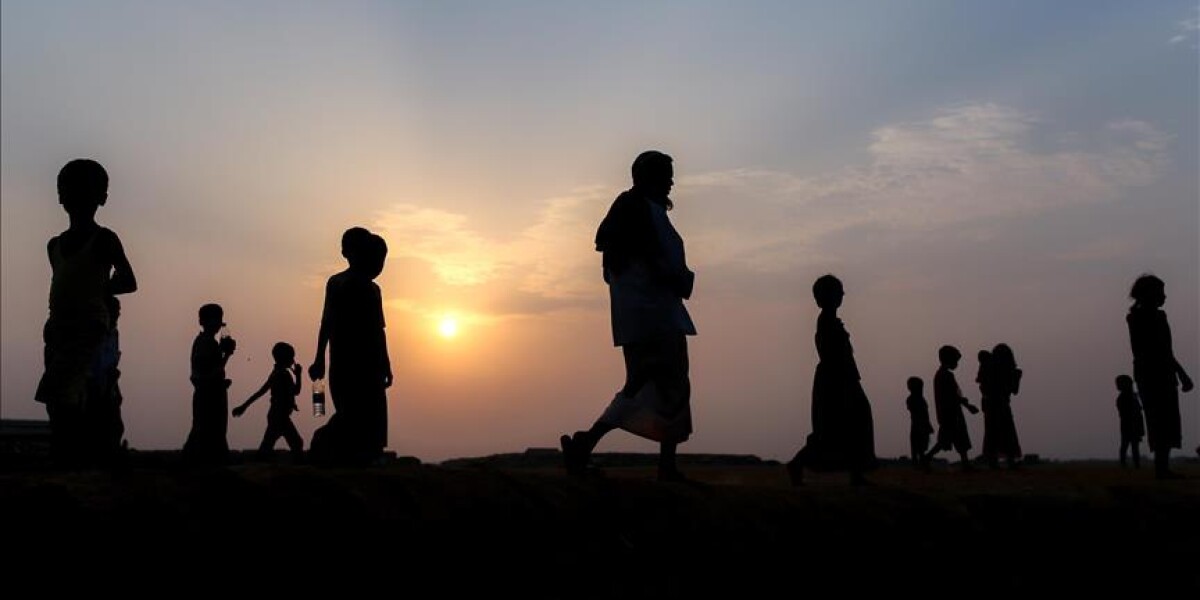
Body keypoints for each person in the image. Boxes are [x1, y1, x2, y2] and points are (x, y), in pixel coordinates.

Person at [560, 150, 697, 482]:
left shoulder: (645, 210)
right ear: (648, 176)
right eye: (666, 174)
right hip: (650, 313)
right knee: (663, 383)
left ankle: (590, 445)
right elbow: (640, 260)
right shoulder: (633, 208)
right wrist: (670, 277)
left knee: (663, 385)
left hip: (654, 311)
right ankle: (589, 444)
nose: (671, 181)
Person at [35, 159, 137, 467]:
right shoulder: (55, 245)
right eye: (68, 188)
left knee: (59, 390)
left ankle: (69, 454)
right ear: (60, 196)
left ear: (101, 197)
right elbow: (61, 284)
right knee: (67, 393)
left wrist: (102, 290)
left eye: (84, 189)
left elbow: (128, 281)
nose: (74, 195)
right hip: (58, 328)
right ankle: (80, 451)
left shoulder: (104, 239)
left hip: (89, 326)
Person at [308, 229, 392, 465]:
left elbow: (379, 330)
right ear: (347, 253)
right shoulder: (338, 283)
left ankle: (370, 451)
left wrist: (386, 363)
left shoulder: (374, 290)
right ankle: (326, 443)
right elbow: (327, 321)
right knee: (350, 410)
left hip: (371, 360)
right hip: (345, 358)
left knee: (373, 409)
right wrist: (319, 358)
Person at [785, 275, 876, 485]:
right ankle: (798, 464)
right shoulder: (826, 321)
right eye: (838, 292)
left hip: (842, 378)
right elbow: (832, 353)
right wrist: (844, 380)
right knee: (832, 430)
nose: (842, 296)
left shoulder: (830, 320)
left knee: (852, 425)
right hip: (836, 380)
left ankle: (856, 473)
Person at [1126, 275, 1193, 479]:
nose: (1164, 296)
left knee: (1167, 420)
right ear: (1149, 294)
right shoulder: (1139, 318)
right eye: (1161, 292)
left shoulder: (1154, 317)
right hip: (1152, 374)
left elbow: (1166, 350)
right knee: (1159, 420)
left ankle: (1162, 468)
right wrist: (1181, 374)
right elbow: (1158, 349)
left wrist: (1179, 373)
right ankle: (1161, 469)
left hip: (1160, 373)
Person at [183, 303, 236, 465]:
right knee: (209, 431)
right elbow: (207, 374)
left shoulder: (207, 342)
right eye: (214, 320)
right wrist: (226, 355)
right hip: (209, 396)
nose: (217, 324)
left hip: (210, 393)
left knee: (205, 431)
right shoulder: (206, 343)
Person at [233, 342, 305, 461]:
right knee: (296, 443)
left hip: (276, 415)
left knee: (270, 444)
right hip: (280, 416)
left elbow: (261, 392)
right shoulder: (283, 374)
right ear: (285, 358)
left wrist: (244, 406)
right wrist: (299, 376)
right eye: (291, 357)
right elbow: (296, 391)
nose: (293, 360)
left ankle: (259, 463)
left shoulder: (275, 373)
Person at [922, 345, 979, 470]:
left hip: (948, 413)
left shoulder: (940, 375)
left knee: (952, 438)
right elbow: (954, 395)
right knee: (952, 439)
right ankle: (927, 458)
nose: (957, 364)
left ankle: (964, 463)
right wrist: (968, 406)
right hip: (951, 413)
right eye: (956, 360)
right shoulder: (946, 376)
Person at [981, 343, 1022, 468]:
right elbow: (1014, 390)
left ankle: (994, 462)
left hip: (991, 404)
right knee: (1006, 432)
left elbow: (983, 388)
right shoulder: (1007, 371)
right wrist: (1017, 377)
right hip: (1001, 404)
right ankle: (1009, 461)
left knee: (992, 433)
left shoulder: (988, 369)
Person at [1114, 375, 1144, 468]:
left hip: (1132, 423)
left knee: (1130, 445)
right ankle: (1130, 463)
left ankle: (1131, 463)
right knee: (1128, 445)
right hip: (1129, 424)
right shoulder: (1125, 398)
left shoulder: (1129, 397)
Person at [905, 376, 933, 467]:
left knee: (919, 446)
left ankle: (918, 463)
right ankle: (919, 463)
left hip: (918, 425)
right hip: (918, 425)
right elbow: (920, 413)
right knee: (919, 446)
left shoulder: (916, 399)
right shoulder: (915, 400)